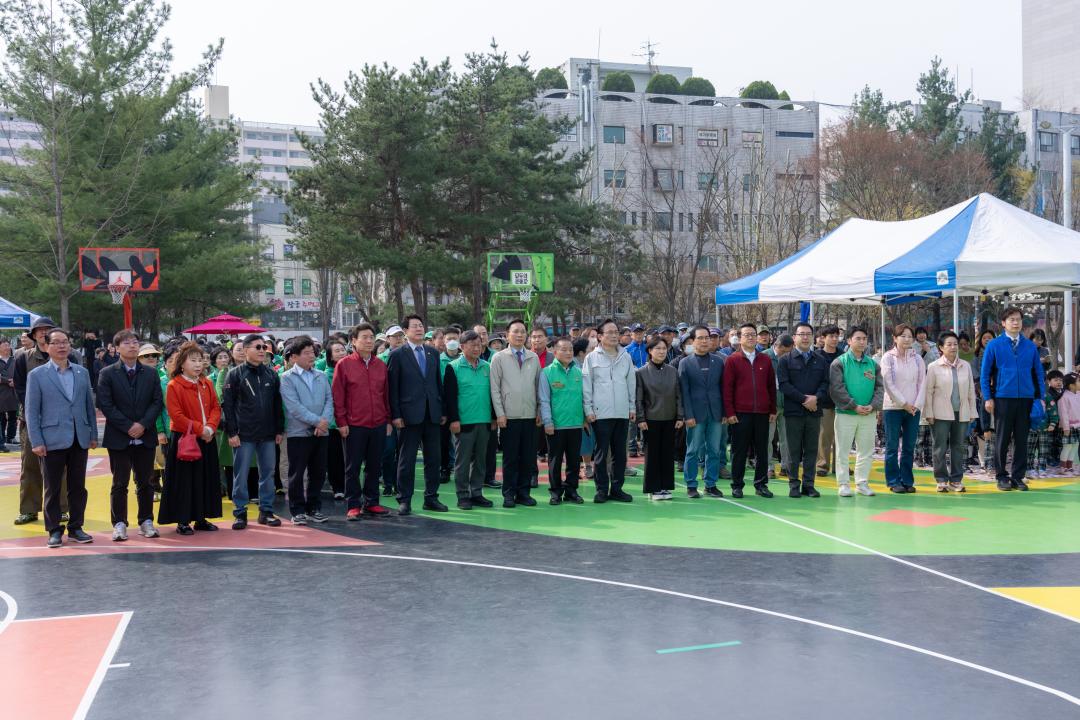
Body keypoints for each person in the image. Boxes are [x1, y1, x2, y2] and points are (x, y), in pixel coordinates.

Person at [24, 328, 97, 548]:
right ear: (46, 346)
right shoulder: (36, 375)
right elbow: (31, 410)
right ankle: (54, 530)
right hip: (51, 438)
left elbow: (88, 407)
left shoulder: (81, 373)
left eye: (66, 342)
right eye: (56, 343)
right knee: (52, 487)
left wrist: (92, 434)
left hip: (79, 437)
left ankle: (76, 527)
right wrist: (36, 441)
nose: (62, 346)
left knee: (78, 486)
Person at [96, 330, 164, 541]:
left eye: (135, 342)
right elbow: (105, 404)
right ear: (116, 348)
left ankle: (146, 520)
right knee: (119, 483)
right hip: (119, 436)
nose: (133, 346)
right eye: (127, 343)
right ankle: (119, 523)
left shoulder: (151, 373)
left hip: (145, 435)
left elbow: (156, 402)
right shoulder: (107, 373)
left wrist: (142, 424)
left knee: (145, 481)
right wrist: (128, 426)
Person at [157, 341, 222, 535]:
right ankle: (183, 520)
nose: (197, 364)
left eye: (200, 360)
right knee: (184, 481)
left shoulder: (206, 383)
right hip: (185, 438)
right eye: (192, 360)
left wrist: (210, 428)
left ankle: (201, 518)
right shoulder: (174, 385)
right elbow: (176, 416)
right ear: (181, 363)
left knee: (205, 478)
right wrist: (201, 429)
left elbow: (216, 408)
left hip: (207, 437)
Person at [222, 333, 285, 528]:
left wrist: (279, 429)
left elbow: (277, 404)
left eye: (264, 348)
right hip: (244, 434)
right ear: (246, 349)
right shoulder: (234, 374)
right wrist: (232, 432)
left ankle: (266, 511)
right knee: (240, 474)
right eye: (257, 347)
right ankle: (240, 513)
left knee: (268, 473)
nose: (262, 351)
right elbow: (228, 406)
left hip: (267, 433)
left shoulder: (271, 374)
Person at [980, 306, 1045, 492]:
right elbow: (985, 374)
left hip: (1025, 398)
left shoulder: (1030, 346)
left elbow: (1038, 373)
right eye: (1011, 320)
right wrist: (988, 397)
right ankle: (1001, 476)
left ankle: (1018, 477)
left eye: (1018, 319)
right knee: (1002, 439)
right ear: (1003, 323)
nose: (1016, 323)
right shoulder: (994, 345)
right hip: (1002, 398)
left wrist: (1040, 397)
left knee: (1022, 440)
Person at [388, 315, 448, 515]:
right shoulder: (397, 354)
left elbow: (436, 383)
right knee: (407, 459)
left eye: (421, 325)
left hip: (432, 414)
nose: (419, 329)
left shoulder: (432, 352)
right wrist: (395, 414)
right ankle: (404, 499)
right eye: (414, 326)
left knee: (434, 459)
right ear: (405, 331)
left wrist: (441, 410)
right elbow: (392, 388)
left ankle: (431, 498)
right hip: (408, 415)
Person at [333, 323, 392, 519]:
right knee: (353, 466)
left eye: (371, 337)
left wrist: (388, 420)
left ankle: (372, 502)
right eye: (364, 337)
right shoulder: (344, 364)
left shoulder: (380, 365)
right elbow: (338, 396)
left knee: (375, 465)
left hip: (378, 423)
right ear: (353, 341)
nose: (369, 341)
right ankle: (353, 504)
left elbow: (386, 396)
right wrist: (341, 422)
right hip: (354, 425)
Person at [12, 316, 64, 525]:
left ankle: (63, 507)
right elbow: (20, 388)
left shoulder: (66, 356)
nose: (43, 333)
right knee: (30, 466)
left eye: (47, 329)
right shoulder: (23, 358)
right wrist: (35, 410)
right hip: (31, 421)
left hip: (59, 421)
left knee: (61, 466)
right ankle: (29, 509)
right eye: (39, 330)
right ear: (33, 335)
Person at [582, 318, 638, 503]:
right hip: (600, 414)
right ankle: (601, 490)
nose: (614, 335)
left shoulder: (626, 356)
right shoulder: (592, 358)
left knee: (620, 454)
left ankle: (617, 488)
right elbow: (586, 386)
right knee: (600, 454)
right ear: (599, 336)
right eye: (610, 332)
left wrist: (631, 407)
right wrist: (588, 410)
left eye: (616, 332)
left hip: (622, 413)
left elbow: (631, 383)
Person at [280, 336, 333, 525]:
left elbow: (329, 400)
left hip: (321, 432)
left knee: (318, 473)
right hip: (298, 432)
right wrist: (318, 422)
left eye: (313, 352)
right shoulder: (287, 378)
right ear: (294, 357)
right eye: (306, 353)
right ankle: (297, 510)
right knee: (297, 473)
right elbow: (294, 407)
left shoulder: (320, 375)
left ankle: (314, 508)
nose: (312, 356)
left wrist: (324, 422)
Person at [489, 318, 541, 507]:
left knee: (528, 458)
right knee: (510, 458)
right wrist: (500, 413)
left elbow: (538, 387)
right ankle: (509, 494)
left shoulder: (533, 357)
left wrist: (539, 410)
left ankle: (523, 493)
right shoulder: (499, 358)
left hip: (529, 416)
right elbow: (494, 388)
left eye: (522, 331)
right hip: (508, 417)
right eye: (516, 331)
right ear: (507, 334)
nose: (520, 335)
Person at [723, 323, 777, 498]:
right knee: (739, 451)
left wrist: (772, 409)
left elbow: (771, 387)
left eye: (753, 334)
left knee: (762, 450)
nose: (751, 337)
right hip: (740, 414)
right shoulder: (732, 360)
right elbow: (727, 389)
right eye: (747, 335)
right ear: (740, 338)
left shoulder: (765, 359)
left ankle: (761, 484)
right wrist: (730, 412)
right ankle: (737, 485)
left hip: (762, 413)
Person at [443, 329, 495, 510]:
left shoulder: (487, 367)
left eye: (479, 344)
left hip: (484, 420)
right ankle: (463, 495)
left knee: (481, 460)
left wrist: (494, 418)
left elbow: (493, 394)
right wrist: (453, 420)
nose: (476, 348)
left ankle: (477, 493)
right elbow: (449, 397)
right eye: (472, 344)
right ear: (462, 346)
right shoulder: (454, 367)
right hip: (463, 423)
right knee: (462, 461)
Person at [777, 323, 830, 498]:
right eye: (801, 334)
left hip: (814, 411)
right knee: (793, 450)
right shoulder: (785, 360)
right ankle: (793, 485)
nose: (805, 337)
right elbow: (784, 385)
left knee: (811, 450)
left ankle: (809, 485)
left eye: (808, 334)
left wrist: (816, 398)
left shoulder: (820, 360)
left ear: (813, 337)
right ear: (794, 337)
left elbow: (825, 383)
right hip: (793, 412)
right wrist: (804, 399)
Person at [830, 326, 883, 497]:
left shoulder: (873, 364)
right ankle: (843, 484)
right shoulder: (839, 362)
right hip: (846, 414)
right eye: (858, 338)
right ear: (849, 341)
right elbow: (837, 389)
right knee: (843, 451)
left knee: (866, 451)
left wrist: (873, 405)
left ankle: (862, 483)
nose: (862, 342)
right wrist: (854, 406)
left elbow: (880, 388)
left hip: (868, 414)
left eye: (864, 339)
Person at [923, 332, 977, 493]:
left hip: (961, 412)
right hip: (939, 414)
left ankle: (956, 480)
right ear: (941, 348)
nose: (953, 347)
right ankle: (941, 479)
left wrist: (972, 411)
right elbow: (928, 392)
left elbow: (970, 391)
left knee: (958, 446)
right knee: (939, 446)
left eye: (955, 344)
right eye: (949, 344)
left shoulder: (965, 366)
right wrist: (929, 413)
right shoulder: (933, 367)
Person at [678, 325, 726, 498]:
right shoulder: (685, 363)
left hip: (716, 413)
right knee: (692, 450)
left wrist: (725, 412)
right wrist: (687, 415)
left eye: (707, 337)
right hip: (695, 415)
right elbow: (683, 392)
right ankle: (691, 484)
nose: (705, 341)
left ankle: (710, 484)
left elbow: (723, 389)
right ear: (693, 341)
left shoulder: (719, 361)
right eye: (701, 338)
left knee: (714, 450)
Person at [539, 336, 585, 505]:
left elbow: (584, 397)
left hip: (575, 423)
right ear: (555, 352)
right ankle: (555, 491)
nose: (568, 353)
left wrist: (585, 418)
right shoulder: (547, 373)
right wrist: (548, 421)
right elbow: (544, 400)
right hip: (556, 426)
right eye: (563, 350)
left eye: (570, 350)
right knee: (555, 460)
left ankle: (571, 490)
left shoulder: (579, 372)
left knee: (574, 460)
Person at [881, 324, 926, 493]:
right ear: (894, 338)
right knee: (892, 445)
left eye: (910, 336)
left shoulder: (917, 358)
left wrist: (916, 404)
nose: (907, 339)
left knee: (909, 446)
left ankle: (907, 480)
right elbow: (888, 384)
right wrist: (903, 403)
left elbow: (923, 382)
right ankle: (893, 480)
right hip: (893, 408)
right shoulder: (888, 358)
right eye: (903, 336)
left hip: (913, 409)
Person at [636, 336, 682, 500]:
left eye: (664, 348)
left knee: (667, 454)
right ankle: (653, 488)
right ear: (650, 351)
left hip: (670, 418)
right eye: (658, 348)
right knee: (652, 454)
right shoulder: (641, 372)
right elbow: (639, 398)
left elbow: (678, 395)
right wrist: (640, 419)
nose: (662, 351)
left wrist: (680, 416)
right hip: (650, 420)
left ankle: (665, 486)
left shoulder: (672, 371)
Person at [323, 339, 349, 500]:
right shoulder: (326, 375)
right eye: (337, 351)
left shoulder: (352, 370)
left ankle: (350, 486)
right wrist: (336, 423)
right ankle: (338, 487)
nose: (341, 352)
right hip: (333, 425)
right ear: (330, 356)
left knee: (351, 458)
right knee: (335, 458)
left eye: (343, 349)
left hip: (352, 421)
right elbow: (327, 402)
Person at [815, 325, 842, 477]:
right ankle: (822, 465)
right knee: (825, 435)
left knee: (842, 436)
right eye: (831, 336)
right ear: (823, 338)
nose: (834, 339)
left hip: (841, 401)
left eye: (836, 336)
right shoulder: (816, 356)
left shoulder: (843, 355)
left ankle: (840, 465)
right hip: (823, 401)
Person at [1057, 373, 1080, 474]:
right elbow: (1063, 414)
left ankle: (1070, 466)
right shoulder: (1064, 397)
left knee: (1075, 445)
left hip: (1078, 426)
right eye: (1078, 381)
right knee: (1068, 446)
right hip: (1069, 427)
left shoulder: (1078, 394)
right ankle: (1063, 467)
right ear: (1071, 385)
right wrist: (1066, 428)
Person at [0, 337, 16, 450]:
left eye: (8, 345)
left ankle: (11, 436)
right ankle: (1, 439)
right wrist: (7, 381)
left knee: (13, 415)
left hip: (13, 392)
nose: (7, 347)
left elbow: (20, 373)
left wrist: (16, 381)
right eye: (5, 345)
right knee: (1, 417)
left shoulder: (15, 360)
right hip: (1, 392)